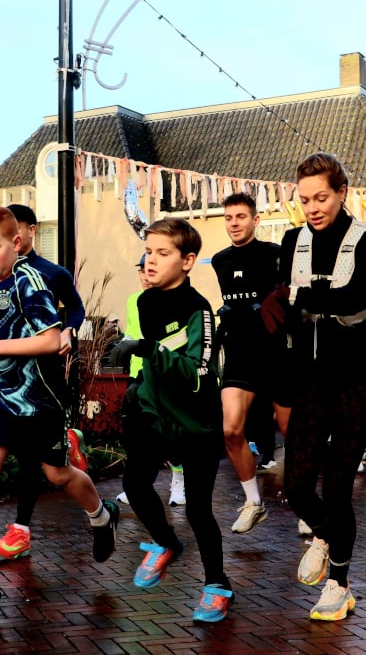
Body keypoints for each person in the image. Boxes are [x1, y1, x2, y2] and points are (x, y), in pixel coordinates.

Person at [0, 206, 118, 602]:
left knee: (58, 475)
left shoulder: (31, 281)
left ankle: (101, 515)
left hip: (38, 400)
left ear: (17, 242)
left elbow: (51, 341)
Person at [262, 152, 366, 621]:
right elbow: (284, 302)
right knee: (296, 487)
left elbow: (362, 294)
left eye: (321, 198)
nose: (313, 208)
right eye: (305, 200)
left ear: (342, 193)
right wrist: (274, 308)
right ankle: (323, 533)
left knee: (337, 488)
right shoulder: (292, 240)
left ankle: (339, 583)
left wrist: (296, 295)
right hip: (311, 377)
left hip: (360, 376)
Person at [122, 217, 233, 623]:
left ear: (187, 261)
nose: (150, 261)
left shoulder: (199, 309)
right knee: (134, 484)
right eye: (148, 252)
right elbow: (155, 361)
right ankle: (166, 542)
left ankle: (217, 585)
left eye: (162, 253)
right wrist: (140, 391)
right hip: (156, 416)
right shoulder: (145, 302)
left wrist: (147, 349)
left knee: (199, 511)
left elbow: (198, 373)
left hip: (197, 422)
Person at [0, 204, 88, 560]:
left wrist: (67, 331)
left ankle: (69, 442)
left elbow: (76, 308)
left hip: (46, 374)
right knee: (25, 456)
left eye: (15, 228)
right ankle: (21, 530)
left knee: (49, 467)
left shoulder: (52, 273)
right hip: (10, 377)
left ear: (31, 230)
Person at [209, 192, 282, 534]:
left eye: (240, 217)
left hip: (274, 354)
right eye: (228, 218)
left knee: (294, 434)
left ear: (255, 220)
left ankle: (306, 506)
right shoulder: (220, 261)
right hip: (238, 353)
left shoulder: (274, 254)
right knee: (230, 430)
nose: (234, 223)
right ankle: (254, 502)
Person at [116, 255, 186, 508]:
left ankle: (179, 480)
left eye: (149, 270)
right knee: (136, 433)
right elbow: (132, 331)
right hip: (138, 373)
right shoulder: (133, 300)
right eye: (141, 271)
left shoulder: (172, 300)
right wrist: (123, 345)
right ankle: (137, 484)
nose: (145, 276)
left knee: (169, 431)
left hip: (163, 373)